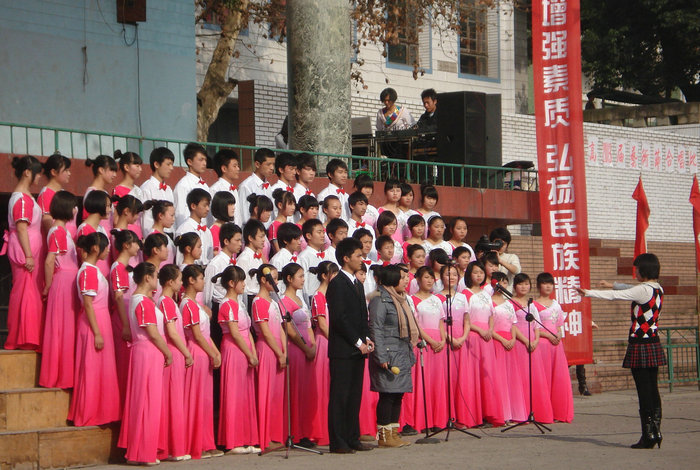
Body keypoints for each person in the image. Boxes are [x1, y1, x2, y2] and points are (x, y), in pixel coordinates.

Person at [579, 253, 665, 449]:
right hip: (653, 341)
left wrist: (589, 292)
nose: (635, 272)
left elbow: (616, 296)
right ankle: (656, 431)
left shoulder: (642, 290)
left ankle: (648, 435)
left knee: (643, 390)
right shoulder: (657, 288)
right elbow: (628, 289)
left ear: (644, 270)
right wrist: (612, 284)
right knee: (653, 389)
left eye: (637, 269)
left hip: (640, 343)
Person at [118, 262, 172, 466]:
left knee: (145, 401)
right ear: (147, 278)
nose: (157, 279)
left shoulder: (140, 300)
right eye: (156, 276)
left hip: (146, 352)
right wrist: (167, 352)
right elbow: (153, 333)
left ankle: (142, 449)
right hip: (148, 351)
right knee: (147, 401)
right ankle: (142, 451)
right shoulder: (143, 302)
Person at [326, 237, 375, 453]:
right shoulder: (337, 284)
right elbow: (340, 318)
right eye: (357, 255)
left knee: (355, 396)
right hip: (343, 350)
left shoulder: (357, 283)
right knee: (341, 396)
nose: (361, 259)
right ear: (346, 258)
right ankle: (338, 441)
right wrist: (357, 342)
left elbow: (362, 315)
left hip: (358, 348)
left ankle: (352, 437)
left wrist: (366, 338)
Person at [69, 232, 120, 426]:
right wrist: (97, 332)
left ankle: (101, 412)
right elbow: (88, 304)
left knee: (101, 369)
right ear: (96, 248)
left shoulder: (92, 270)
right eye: (106, 248)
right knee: (91, 370)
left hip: (100, 320)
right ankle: (89, 413)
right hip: (93, 323)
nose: (108, 252)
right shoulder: (88, 271)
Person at [368, 264, 417, 448]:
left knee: (398, 394)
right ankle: (383, 435)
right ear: (392, 279)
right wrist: (381, 356)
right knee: (387, 395)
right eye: (402, 277)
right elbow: (376, 329)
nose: (406, 281)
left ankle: (394, 433)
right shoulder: (379, 299)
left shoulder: (401, 299)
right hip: (388, 353)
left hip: (401, 351)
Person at [214, 265, 260, 454]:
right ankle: (233, 440)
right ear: (232, 283)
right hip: (234, 350)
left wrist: (253, 353)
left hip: (245, 349)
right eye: (241, 281)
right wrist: (249, 353)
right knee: (234, 393)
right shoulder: (226, 304)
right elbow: (234, 332)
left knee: (245, 394)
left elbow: (247, 330)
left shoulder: (239, 304)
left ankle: (246, 437)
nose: (244, 284)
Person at [180, 264, 223, 459]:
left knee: (205, 400)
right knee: (196, 399)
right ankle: (195, 443)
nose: (203, 282)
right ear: (191, 280)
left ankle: (206, 442)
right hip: (196, 351)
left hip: (203, 351)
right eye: (200, 278)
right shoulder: (187, 304)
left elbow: (205, 334)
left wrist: (215, 352)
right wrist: (211, 352)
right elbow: (196, 335)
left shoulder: (195, 304)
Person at [39, 191, 80, 388]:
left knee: (65, 327)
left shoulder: (61, 231)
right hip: (63, 282)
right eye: (73, 206)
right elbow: (50, 260)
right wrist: (48, 285)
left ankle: (64, 374)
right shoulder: (58, 231)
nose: (75, 210)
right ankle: (60, 375)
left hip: (66, 281)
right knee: (63, 328)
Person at [5, 155, 45, 351]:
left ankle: (27, 336)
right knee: (24, 293)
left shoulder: (25, 196)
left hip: (29, 248)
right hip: (24, 250)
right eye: (37, 173)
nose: (39, 177)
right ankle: (21, 338)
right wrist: (28, 254)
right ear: (27, 172)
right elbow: (21, 227)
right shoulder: (21, 199)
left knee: (28, 293)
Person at [156, 264, 194, 462]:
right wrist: (186, 352)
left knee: (174, 399)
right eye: (179, 280)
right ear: (170, 282)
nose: (181, 284)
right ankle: (173, 448)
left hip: (176, 352)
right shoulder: (166, 302)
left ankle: (174, 446)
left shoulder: (167, 301)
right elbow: (172, 332)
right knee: (173, 400)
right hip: (175, 352)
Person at [279, 263, 318, 448]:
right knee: (295, 391)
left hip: (308, 348)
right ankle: (294, 432)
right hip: (296, 349)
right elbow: (289, 329)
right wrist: (305, 348)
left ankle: (305, 431)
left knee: (306, 392)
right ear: (289, 279)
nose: (303, 280)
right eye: (300, 276)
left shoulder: (300, 298)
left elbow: (308, 324)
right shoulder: (284, 301)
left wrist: (313, 345)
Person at [250, 265, 287, 452]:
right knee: (266, 393)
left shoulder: (273, 302)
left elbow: (280, 327)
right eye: (272, 278)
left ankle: (275, 434)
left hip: (277, 349)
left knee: (276, 395)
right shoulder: (258, 302)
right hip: (266, 349)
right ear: (263, 280)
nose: (276, 282)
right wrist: (279, 352)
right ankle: (265, 436)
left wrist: (284, 351)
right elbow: (265, 332)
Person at [463, 261, 504, 426]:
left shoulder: (487, 294)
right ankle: (475, 414)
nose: (479, 275)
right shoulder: (465, 294)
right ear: (469, 274)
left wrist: (490, 330)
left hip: (487, 338)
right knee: (474, 375)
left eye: (481, 272)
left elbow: (491, 316)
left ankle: (489, 412)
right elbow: (465, 319)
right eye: (475, 272)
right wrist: (480, 330)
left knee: (487, 375)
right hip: (473, 337)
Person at [411, 266, 448, 432]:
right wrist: (431, 341)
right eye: (426, 277)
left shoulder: (437, 300)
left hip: (439, 344)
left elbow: (441, 322)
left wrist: (443, 339)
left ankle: (438, 420)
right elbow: (416, 325)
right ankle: (423, 420)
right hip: (424, 343)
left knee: (437, 382)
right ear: (418, 279)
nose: (429, 280)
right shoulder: (412, 300)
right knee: (423, 381)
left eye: (431, 277)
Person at [534, 272, 574, 423]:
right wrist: (548, 336)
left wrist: (558, 335)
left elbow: (559, 325)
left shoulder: (556, 304)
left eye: (550, 283)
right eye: (545, 283)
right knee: (544, 378)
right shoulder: (533, 305)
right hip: (542, 345)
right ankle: (544, 412)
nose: (548, 286)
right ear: (539, 286)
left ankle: (559, 412)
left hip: (557, 346)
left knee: (558, 378)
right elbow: (534, 328)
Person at [109, 229, 141, 405]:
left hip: (129, 316)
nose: (138, 247)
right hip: (122, 319)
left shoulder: (126, 267)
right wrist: (126, 325)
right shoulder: (118, 268)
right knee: (123, 362)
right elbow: (119, 297)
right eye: (135, 243)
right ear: (126, 245)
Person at [309, 261, 339, 446]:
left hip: (333, 341)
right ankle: (321, 430)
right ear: (324, 276)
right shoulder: (318, 297)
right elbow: (321, 324)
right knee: (323, 385)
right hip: (324, 342)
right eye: (332, 274)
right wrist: (336, 340)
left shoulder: (333, 295)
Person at [491, 271, 526, 424]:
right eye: (500, 282)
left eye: (505, 282)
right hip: (496, 341)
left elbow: (513, 324)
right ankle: (502, 413)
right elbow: (489, 326)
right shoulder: (489, 302)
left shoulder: (509, 303)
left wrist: (512, 338)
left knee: (511, 378)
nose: (503, 285)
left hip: (510, 342)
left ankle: (515, 412)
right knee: (500, 378)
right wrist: (501, 339)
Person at [37, 152, 75, 237]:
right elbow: (47, 220)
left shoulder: (62, 192)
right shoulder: (46, 193)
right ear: (54, 172)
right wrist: (57, 238)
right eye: (66, 170)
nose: (69, 174)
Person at [173, 143, 210, 228]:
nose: (204, 163)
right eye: (201, 160)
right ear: (189, 162)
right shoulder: (183, 185)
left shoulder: (205, 185)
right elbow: (180, 215)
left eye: (205, 160)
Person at [140, 147, 175, 236]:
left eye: (172, 164)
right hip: (155, 237)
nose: (171, 168)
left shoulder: (168, 190)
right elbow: (146, 219)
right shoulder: (147, 188)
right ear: (156, 164)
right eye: (168, 164)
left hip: (169, 235)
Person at [76, 190, 112, 277]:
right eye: (107, 206)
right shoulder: (85, 229)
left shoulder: (101, 228)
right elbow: (84, 257)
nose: (110, 210)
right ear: (99, 205)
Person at [174, 189, 213, 265]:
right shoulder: (184, 229)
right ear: (193, 206)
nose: (208, 209)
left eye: (208, 205)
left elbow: (209, 256)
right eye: (204, 205)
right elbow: (180, 260)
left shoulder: (207, 231)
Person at [238, 148, 275, 225]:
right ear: (257, 164)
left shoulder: (268, 186)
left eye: (273, 164)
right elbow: (244, 216)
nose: (272, 168)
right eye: (268, 164)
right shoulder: (246, 186)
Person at [82, 154, 118, 234]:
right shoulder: (91, 194)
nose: (115, 175)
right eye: (112, 170)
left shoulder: (104, 193)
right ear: (101, 170)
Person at [112, 151, 144, 238]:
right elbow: (116, 220)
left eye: (140, 166)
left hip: (138, 233)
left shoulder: (138, 190)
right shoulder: (118, 190)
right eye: (137, 166)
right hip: (126, 236)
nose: (140, 169)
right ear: (126, 167)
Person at [209, 148, 242, 227]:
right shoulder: (215, 189)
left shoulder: (234, 189)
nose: (238, 169)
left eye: (238, 166)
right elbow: (213, 216)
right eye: (234, 166)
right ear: (224, 168)